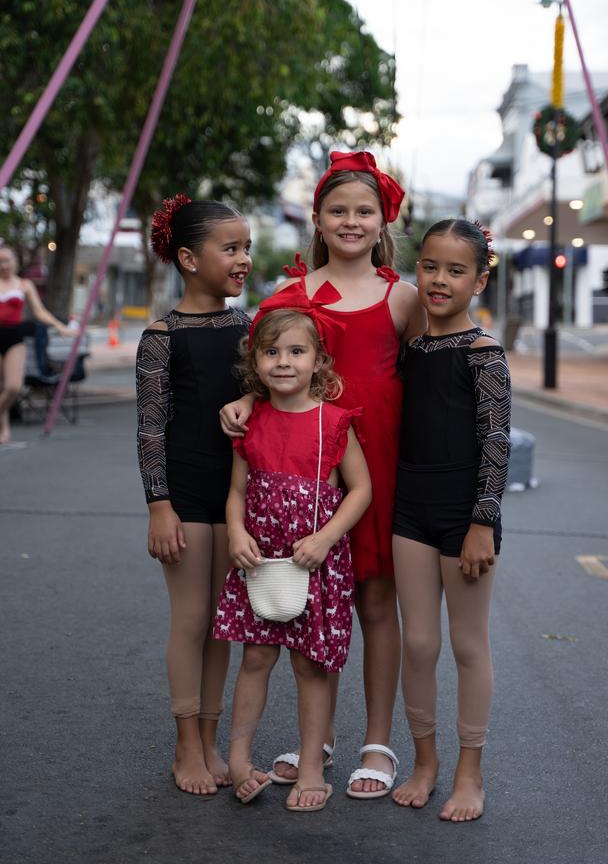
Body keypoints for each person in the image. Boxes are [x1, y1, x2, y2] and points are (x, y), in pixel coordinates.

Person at [220, 151, 425, 798]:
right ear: (317, 217)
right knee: (314, 602)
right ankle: (322, 741)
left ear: (384, 218)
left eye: (364, 210)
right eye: (338, 210)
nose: (351, 221)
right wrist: (248, 401)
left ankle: (377, 741)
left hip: (379, 461)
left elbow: (432, 379)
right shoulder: (287, 298)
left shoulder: (404, 297)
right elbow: (266, 367)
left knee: (374, 600)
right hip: (300, 470)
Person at [214, 296, 372, 811]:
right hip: (259, 558)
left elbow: (361, 491)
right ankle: (239, 759)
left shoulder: (334, 422)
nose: (283, 361)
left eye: (296, 352)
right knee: (256, 655)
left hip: (313, 560)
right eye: (272, 352)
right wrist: (236, 534)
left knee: (309, 666)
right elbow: (238, 491)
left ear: (317, 362)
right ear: (255, 362)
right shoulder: (250, 419)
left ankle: (310, 768)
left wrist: (325, 538)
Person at [391, 219, 511, 822]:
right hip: (409, 507)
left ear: (480, 280)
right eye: (431, 266)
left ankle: (470, 771)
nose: (439, 280)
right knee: (417, 641)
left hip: (465, 514)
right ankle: (424, 761)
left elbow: (495, 441)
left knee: (466, 643)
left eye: (456, 270)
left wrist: (482, 522)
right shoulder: (412, 349)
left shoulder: (482, 352)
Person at [135, 195, 252, 796]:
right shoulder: (161, 336)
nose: (243, 259)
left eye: (245, 248)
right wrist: (160, 504)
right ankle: (186, 742)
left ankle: (209, 738)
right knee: (192, 618)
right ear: (187, 258)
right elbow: (152, 425)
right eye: (230, 248)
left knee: (223, 624)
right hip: (183, 488)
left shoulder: (249, 328)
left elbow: (268, 390)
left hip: (235, 491)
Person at [0, 243, 74, 445]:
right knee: (1, 387)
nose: (4, 265)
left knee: (13, 387)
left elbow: (39, 311)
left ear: (15, 262)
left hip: (14, 337)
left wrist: (58, 325)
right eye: (0, 261)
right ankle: (4, 429)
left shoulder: (24, 285)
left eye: (7, 260)